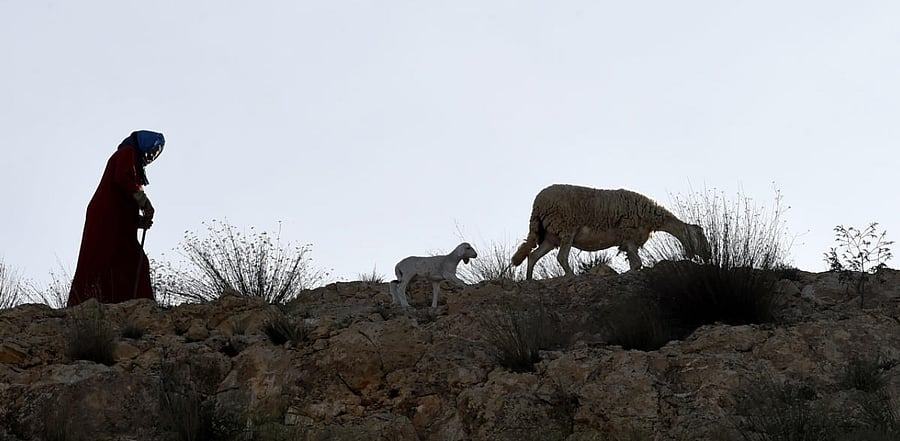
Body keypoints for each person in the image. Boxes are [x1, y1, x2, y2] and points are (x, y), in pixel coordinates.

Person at [68, 130, 165, 307]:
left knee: (134, 262)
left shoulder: (135, 167)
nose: (152, 155)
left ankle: (133, 307)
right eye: (153, 149)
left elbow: (127, 200)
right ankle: (83, 305)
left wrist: (138, 222)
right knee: (99, 259)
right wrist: (144, 203)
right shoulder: (127, 153)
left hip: (118, 222)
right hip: (106, 216)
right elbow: (122, 179)